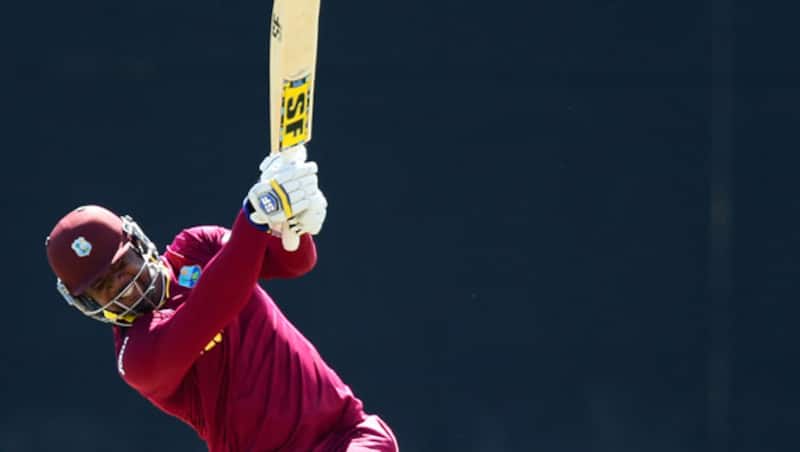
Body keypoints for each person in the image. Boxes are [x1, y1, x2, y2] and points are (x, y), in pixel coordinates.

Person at [44, 147, 398, 452]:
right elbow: (214, 306)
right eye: (104, 286)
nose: (125, 288)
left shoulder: (198, 246)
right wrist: (256, 215)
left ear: (138, 244)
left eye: (122, 267)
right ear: (88, 302)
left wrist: (291, 227)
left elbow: (294, 263)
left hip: (347, 433)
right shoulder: (137, 356)